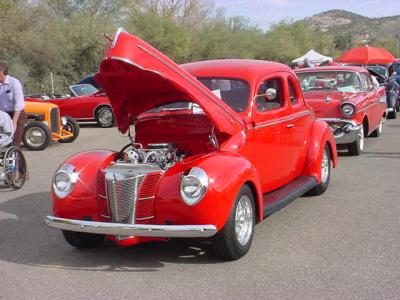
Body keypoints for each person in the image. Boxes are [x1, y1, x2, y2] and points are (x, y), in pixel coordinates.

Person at [0, 60, 26, 148]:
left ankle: (16, 160)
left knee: (15, 142)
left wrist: (14, 122)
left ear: (1, 72)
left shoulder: (14, 83)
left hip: (17, 115)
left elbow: (19, 104)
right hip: (3, 116)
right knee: (3, 141)